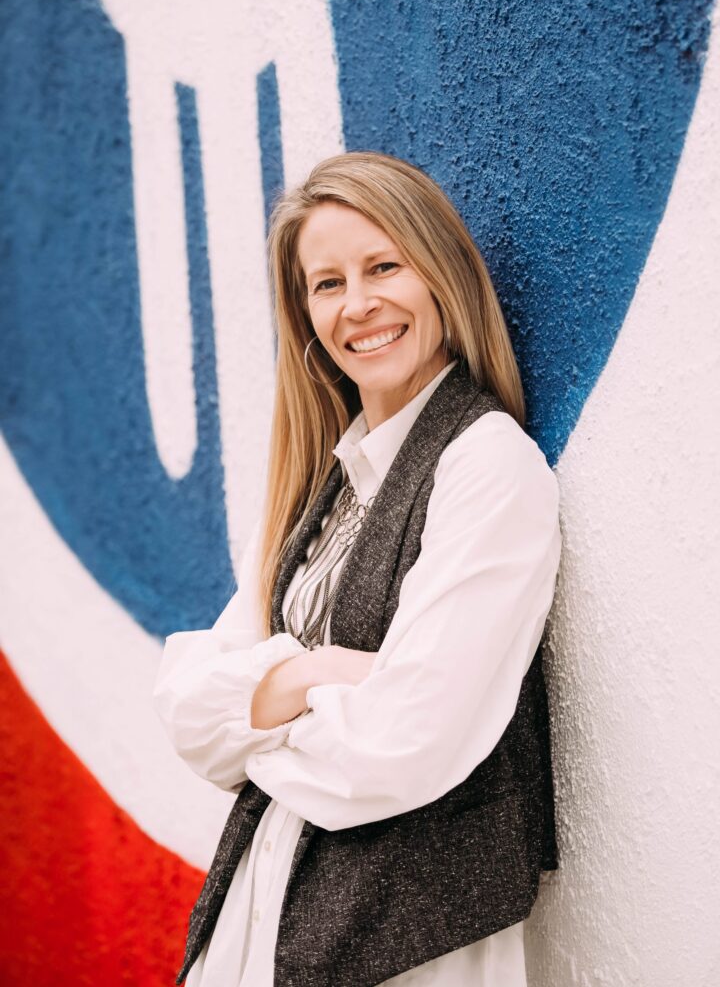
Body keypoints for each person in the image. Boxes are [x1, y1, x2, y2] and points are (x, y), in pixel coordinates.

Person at [154, 150, 562, 987]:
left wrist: (262, 708)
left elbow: (401, 744)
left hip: (408, 945)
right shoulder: (329, 491)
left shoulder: (486, 464)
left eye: (384, 266)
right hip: (264, 916)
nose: (359, 304)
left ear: (441, 275)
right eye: (327, 283)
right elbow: (190, 718)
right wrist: (321, 674)